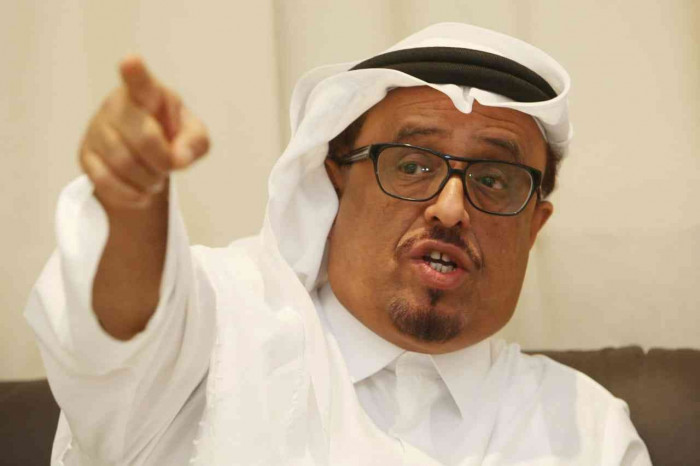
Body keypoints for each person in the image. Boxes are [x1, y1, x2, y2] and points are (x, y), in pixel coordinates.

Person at [25, 23, 652, 465]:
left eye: (494, 179)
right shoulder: (218, 326)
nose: (450, 207)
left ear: (534, 225)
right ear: (334, 181)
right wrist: (131, 201)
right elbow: (118, 339)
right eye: (412, 164)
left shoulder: (588, 430)